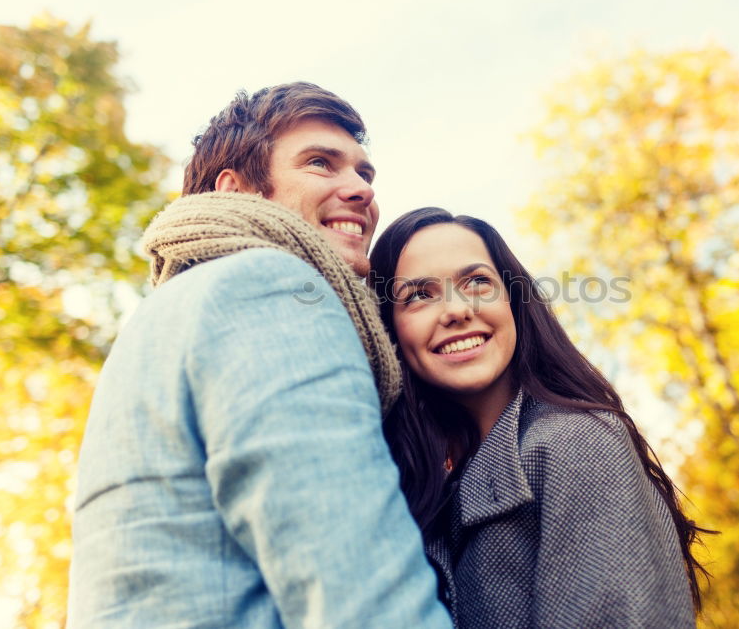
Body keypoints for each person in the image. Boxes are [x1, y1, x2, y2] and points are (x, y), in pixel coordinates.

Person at [68, 83, 452, 627]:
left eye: (365, 174)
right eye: (321, 163)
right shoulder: (270, 287)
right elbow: (359, 591)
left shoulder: (173, 315)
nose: (360, 191)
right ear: (237, 191)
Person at [368, 207, 710, 628]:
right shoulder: (422, 481)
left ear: (513, 300)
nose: (456, 309)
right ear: (391, 331)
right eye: (419, 294)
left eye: (477, 282)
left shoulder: (578, 443)